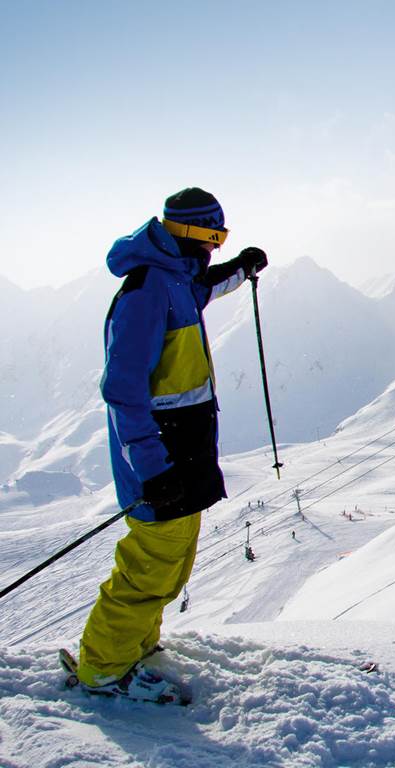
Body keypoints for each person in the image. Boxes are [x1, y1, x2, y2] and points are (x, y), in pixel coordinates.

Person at [76, 187, 268, 702]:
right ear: (184, 231)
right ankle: (101, 670)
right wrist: (152, 469)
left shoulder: (178, 281)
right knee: (147, 568)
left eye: (220, 236)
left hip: (187, 454)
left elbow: (205, 286)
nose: (214, 245)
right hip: (160, 460)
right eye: (211, 235)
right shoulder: (145, 292)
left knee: (173, 565)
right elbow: (121, 389)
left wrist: (242, 267)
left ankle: (135, 647)